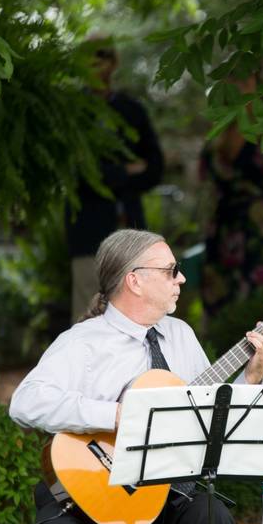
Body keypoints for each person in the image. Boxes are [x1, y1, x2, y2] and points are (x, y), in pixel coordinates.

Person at [9, 229, 263, 524]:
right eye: (171, 270)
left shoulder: (180, 335)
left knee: (214, 521)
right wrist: (118, 415)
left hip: (166, 494)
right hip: (91, 492)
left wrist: (254, 372)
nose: (182, 279)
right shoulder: (83, 342)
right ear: (134, 280)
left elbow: (213, 413)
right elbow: (26, 402)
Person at [66, 43, 165, 321]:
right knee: (87, 312)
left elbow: (155, 168)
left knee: (135, 308)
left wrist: (111, 174)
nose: (99, 64)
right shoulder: (73, 112)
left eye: (104, 56)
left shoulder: (131, 110)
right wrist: (127, 171)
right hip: (87, 226)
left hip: (128, 223)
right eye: (92, 58)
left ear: (115, 61)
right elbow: (80, 173)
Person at [199, 76, 263, 319]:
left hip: (260, 231)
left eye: (245, 81)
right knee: (223, 305)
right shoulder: (215, 138)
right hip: (227, 230)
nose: (241, 86)